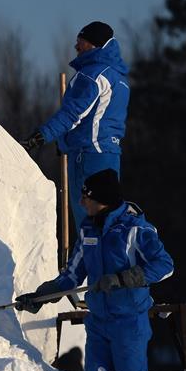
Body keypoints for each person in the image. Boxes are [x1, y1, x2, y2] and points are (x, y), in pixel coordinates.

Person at [15, 169, 174, 371]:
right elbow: (72, 275)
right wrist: (43, 295)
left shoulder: (135, 230)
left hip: (129, 324)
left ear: (102, 200)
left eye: (86, 197)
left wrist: (123, 279)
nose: (81, 202)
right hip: (98, 322)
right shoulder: (89, 229)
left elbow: (165, 265)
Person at [20, 21, 129, 232]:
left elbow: (73, 114)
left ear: (94, 45)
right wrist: (65, 142)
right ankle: (106, 263)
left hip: (88, 157)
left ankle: (88, 264)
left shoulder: (92, 75)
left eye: (81, 41)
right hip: (109, 155)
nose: (76, 47)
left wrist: (40, 136)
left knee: (88, 223)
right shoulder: (118, 78)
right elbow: (97, 120)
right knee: (108, 220)